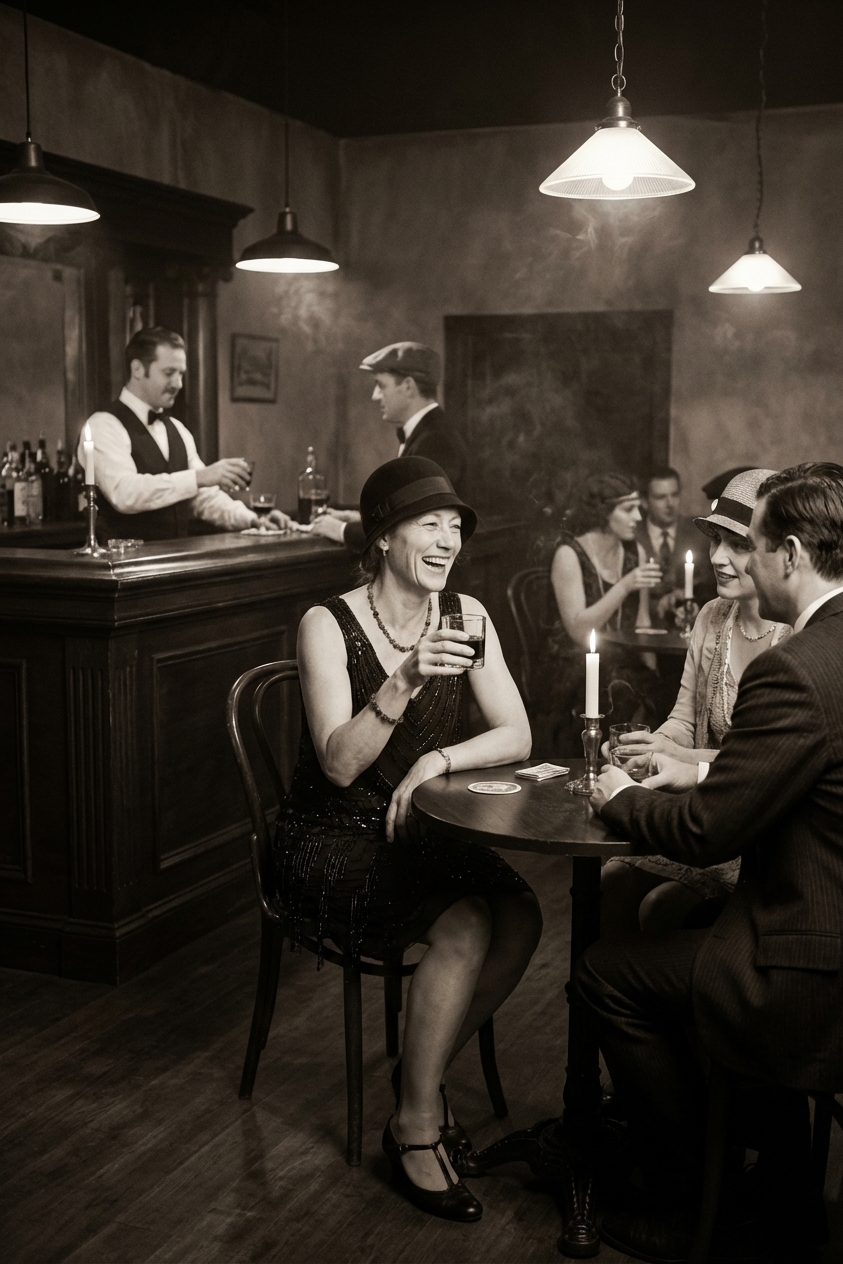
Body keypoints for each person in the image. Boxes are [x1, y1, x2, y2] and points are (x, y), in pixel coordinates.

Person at [579, 462, 843, 1262]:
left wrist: (615, 800)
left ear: (790, 554)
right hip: (823, 909)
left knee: (606, 973)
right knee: (671, 923)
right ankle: (776, 1175)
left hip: (810, 959)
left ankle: (703, 1188)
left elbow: (706, 832)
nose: (743, 565)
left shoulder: (796, 667)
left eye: (754, 547)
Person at [277, 456, 542, 1223]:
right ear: (385, 536)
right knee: (464, 923)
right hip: (329, 834)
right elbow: (337, 764)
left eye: (455, 527)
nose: (446, 540)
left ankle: (416, 1082)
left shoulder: (468, 614)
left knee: (522, 916)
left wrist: (438, 756)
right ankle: (416, 1128)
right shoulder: (326, 623)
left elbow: (517, 733)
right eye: (428, 523)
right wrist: (403, 681)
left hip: (414, 825)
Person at [602, 469, 792, 934]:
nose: (720, 559)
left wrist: (676, 756)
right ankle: (615, 999)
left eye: (739, 545)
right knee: (611, 878)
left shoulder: (797, 635)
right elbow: (684, 716)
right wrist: (649, 745)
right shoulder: (712, 616)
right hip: (698, 813)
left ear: (774, 551)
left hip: (759, 833)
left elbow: (762, 764)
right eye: (714, 543)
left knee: (660, 909)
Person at [81, 327, 292, 541]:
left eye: (181, 374)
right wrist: (200, 477)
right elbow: (124, 493)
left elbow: (204, 497)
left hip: (178, 564)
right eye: (169, 373)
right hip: (123, 566)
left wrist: (253, 519)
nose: (178, 384)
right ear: (137, 369)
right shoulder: (103, 425)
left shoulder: (178, 429)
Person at [548, 472, 665, 754]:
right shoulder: (569, 554)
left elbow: (642, 623)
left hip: (624, 658)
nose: (638, 516)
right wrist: (625, 585)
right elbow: (578, 630)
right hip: (575, 663)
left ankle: (635, 769)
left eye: (638, 507)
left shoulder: (634, 550)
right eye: (628, 509)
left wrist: (653, 670)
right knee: (618, 689)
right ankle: (601, 764)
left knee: (663, 688)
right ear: (602, 512)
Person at [309, 342, 467, 549]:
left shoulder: (435, 441)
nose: (375, 395)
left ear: (408, 386)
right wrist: (360, 517)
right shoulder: (427, 433)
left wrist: (341, 530)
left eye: (381, 385)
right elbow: (408, 509)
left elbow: (412, 524)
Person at [636, 465, 716, 623]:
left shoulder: (700, 532)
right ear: (644, 502)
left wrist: (688, 596)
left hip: (687, 626)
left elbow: (712, 584)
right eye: (660, 497)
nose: (670, 503)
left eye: (674, 495)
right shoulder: (633, 535)